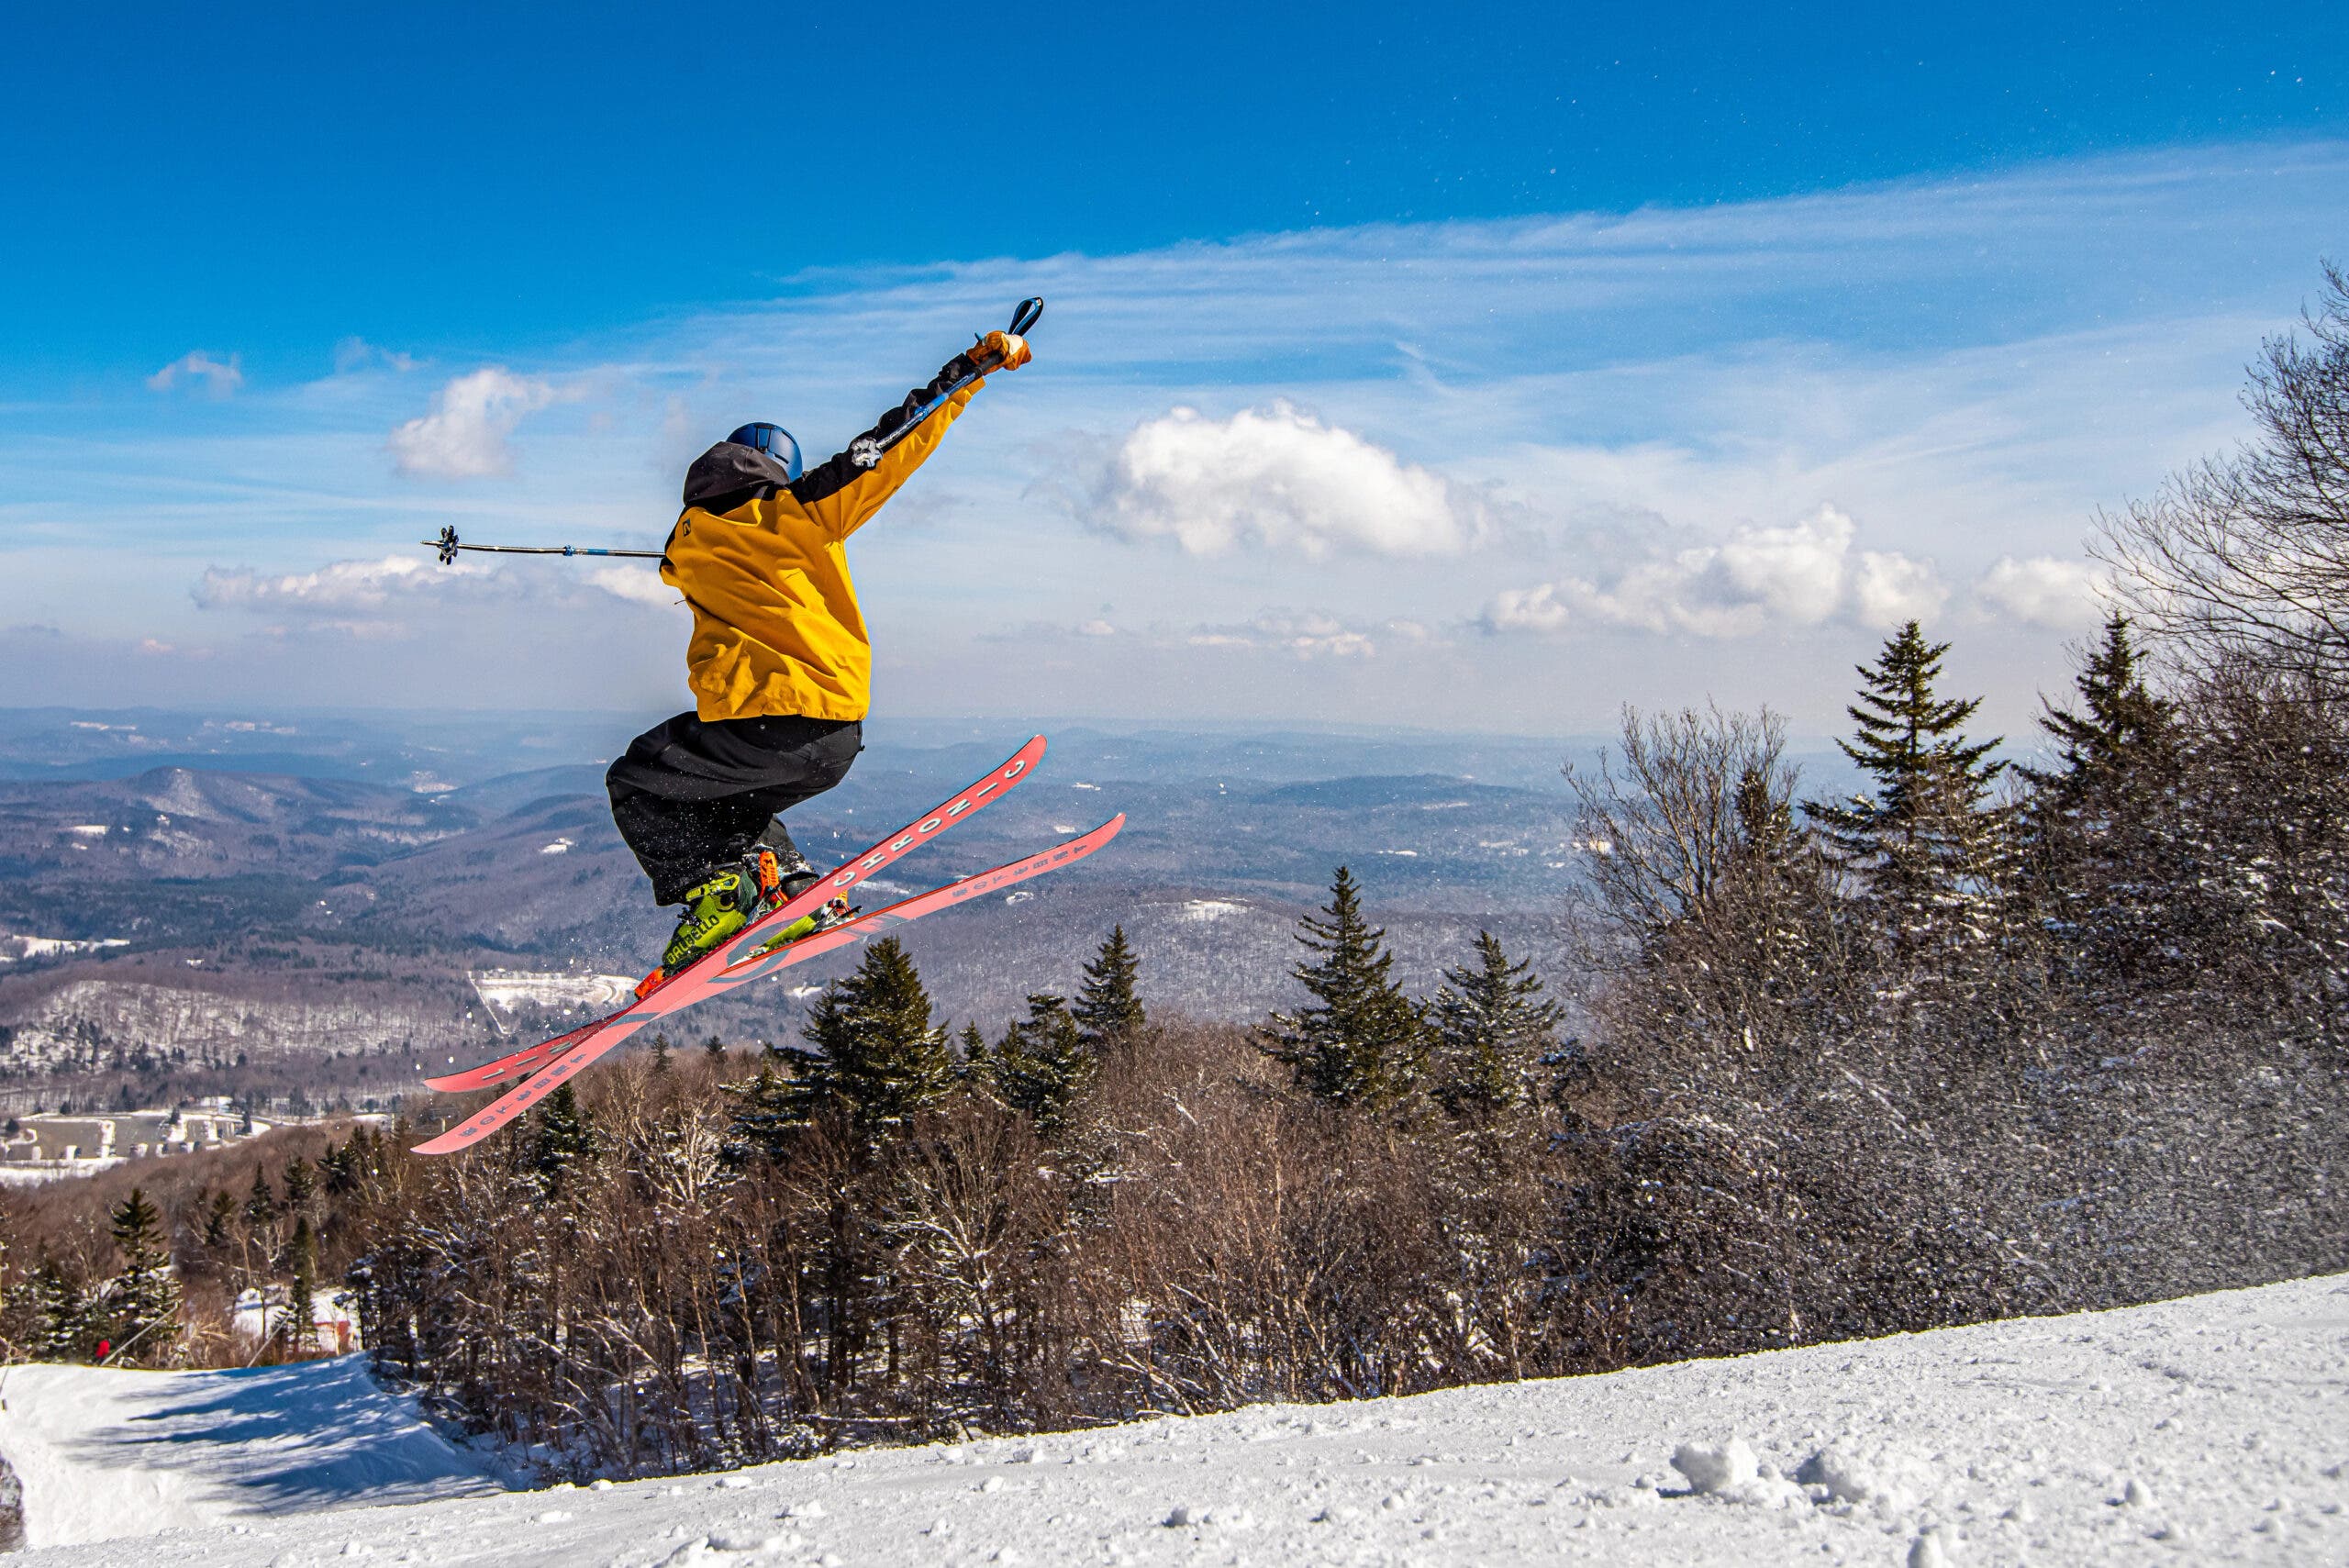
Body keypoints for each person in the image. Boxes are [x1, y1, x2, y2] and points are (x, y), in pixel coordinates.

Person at [607, 326, 1034, 991]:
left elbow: (677, 561)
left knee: (638, 780)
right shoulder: (798, 513)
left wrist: (684, 547)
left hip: (769, 725)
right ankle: (787, 886)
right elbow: (888, 446)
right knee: (724, 800)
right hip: (837, 732)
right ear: (779, 470)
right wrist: (970, 370)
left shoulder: (688, 550)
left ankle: (717, 896)